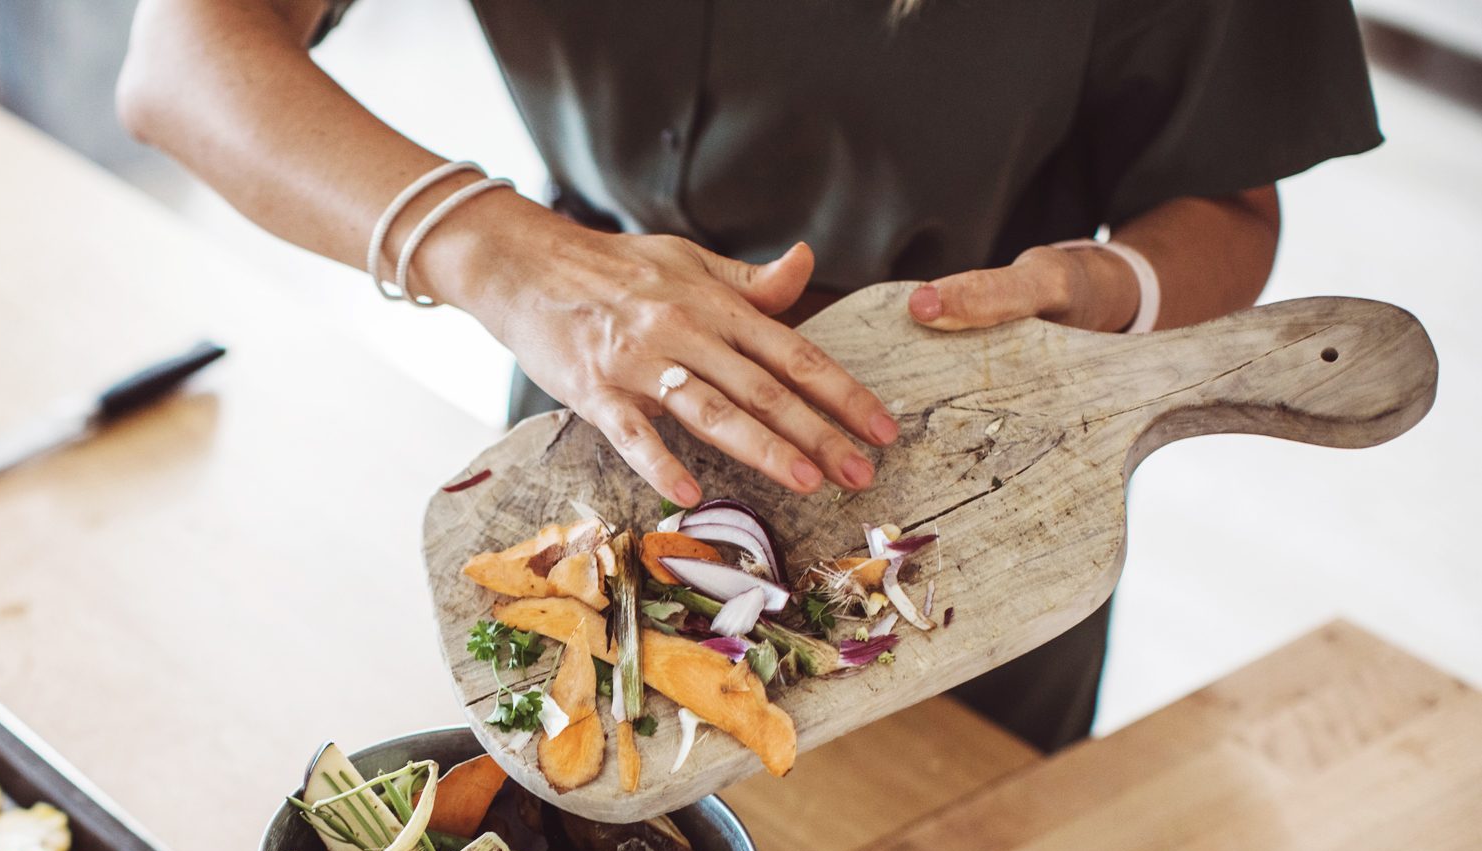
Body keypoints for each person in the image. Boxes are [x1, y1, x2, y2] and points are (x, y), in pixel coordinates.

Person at [117, 0, 1381, 749]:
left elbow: (1222, 190)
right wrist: (508, 257)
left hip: (977, 480)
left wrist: (1108, 297)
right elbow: (185, 52)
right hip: (601, 427)